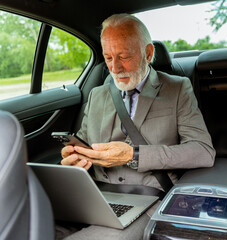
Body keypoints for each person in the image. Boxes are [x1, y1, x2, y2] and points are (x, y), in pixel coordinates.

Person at [59, 13, 215, 239]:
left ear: (148, 53)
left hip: (147, 199)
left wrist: (134, 155)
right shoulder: (96, 95)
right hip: (92, 196)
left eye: (124, 56)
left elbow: (203, 151)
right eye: (108, 57)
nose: (115, 67)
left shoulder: (177, 89)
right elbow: (84, 141)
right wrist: (75, 159)